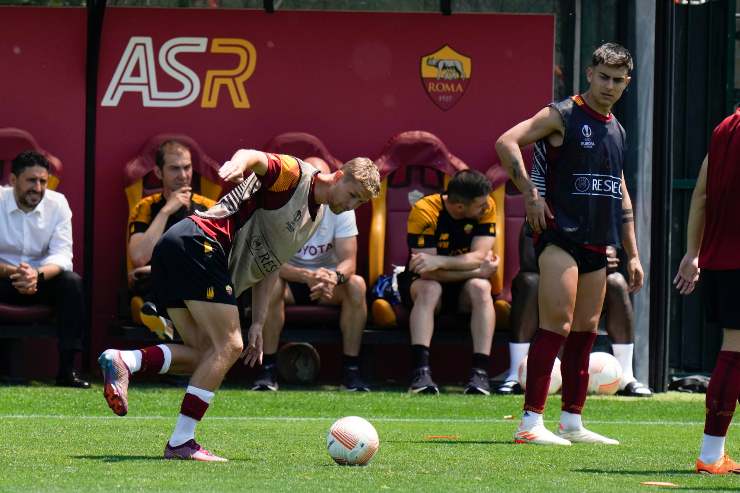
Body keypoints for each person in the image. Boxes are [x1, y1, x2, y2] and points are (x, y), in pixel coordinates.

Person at [98, 150, 380, 462]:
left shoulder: (316, 217)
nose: (352, 205)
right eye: (352, 195)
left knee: (205, 355)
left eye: (359, 202)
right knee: (230, 345)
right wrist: (238, 164)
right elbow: (255, 157)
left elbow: (269, 265)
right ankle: (181, 441)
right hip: (202, 243)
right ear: (339, 176)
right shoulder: (296, 175)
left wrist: (258, 322)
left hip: (181, 249)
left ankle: (126, 360)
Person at [495, 42, 643, 445]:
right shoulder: (562, 114)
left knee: (585, 330)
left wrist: (633, 254)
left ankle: (572, 422)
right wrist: (530, 194)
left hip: (598, 242)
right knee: (556, 324)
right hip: (559, 235)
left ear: (627, 83)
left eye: (618, 80)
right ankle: (529, 423)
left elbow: (621, 191)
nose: (609, 85)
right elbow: (506, 141)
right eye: (603, 77)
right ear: (589, 74)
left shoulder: (617, 130)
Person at [252, 157, 369, 392]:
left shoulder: (343, 206)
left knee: (357, 285)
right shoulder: (284, 204)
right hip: (289, 283)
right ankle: (267, 369)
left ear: (334, 180)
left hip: (326, 285)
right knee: (270, 284)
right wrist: (305, 275)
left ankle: (351, 371)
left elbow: (349, 262)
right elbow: (267, 261)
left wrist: (333, 277)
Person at [496, 229, 651, 397]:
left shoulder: (598, 216)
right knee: (528, 282)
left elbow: (611, 250)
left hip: (588, 288)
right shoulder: (545, 213)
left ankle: (626, 375)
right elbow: (528, 260)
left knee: (616, 282)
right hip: (550, 288)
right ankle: (515, 374)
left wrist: (601, 260)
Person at [674, 107, 740, 474]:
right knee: (735, 352)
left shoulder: (724, 128)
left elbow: (701, 195)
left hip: (720, 261)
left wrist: (692, 253)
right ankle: (711, 454)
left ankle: (713, 452)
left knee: (734, 351)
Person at [398, 169, 499, 395]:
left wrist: (440, 261)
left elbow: (480, 256)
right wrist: (476, 270)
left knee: (481, 287)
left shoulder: (487, 205)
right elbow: (427, 272)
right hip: (425, 284)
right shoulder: (424, 210)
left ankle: (480, 374)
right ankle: (420, 373)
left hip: (464, 286)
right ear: (460, 207)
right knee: (430, 289)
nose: (486, 207)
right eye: (480, 205)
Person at [0, 151, 89, 388]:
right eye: (31, 180)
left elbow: (62, 256)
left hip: (41, 279)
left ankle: (67, 371)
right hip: (4, 278)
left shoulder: (57, 204)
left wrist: (35, 275)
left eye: (43, 181)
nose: (38, 188)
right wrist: (15, 273)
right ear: (13, 180)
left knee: (72, 283)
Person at [127, 140, 216, 338]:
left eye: (187, 167)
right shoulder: (146, 207)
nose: (183, 175)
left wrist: (156, 267)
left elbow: (215, 258)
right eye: (175, 169)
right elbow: (139, 257)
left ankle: (161, 317)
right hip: (156, 283)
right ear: (159, 173)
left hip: (195, 283)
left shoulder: (210, 208)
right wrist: (166, 212)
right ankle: (164, 319)